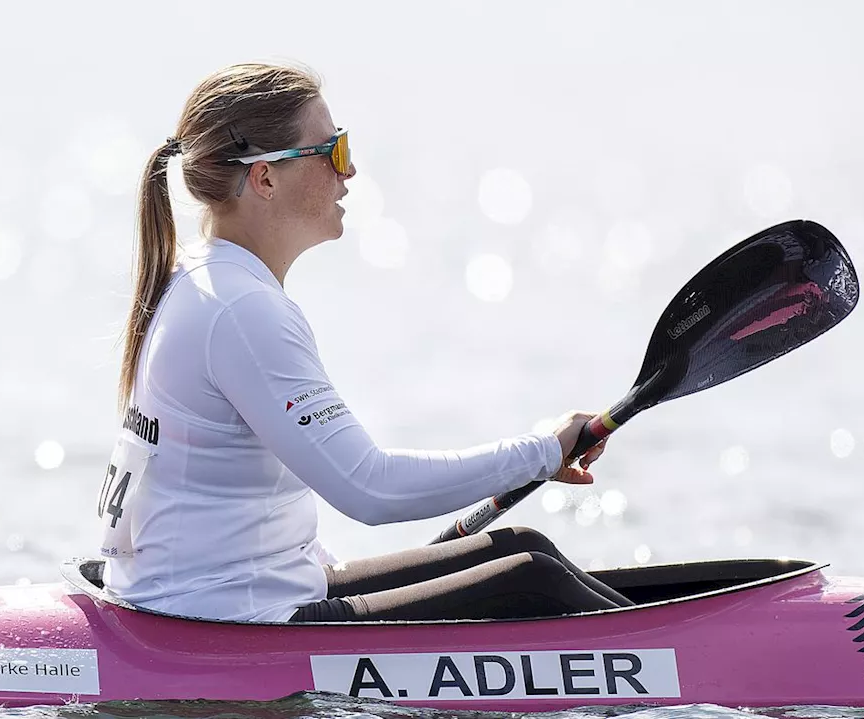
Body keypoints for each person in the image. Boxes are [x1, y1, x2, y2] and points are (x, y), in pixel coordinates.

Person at [99, 61, 634, 623]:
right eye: (332, 150)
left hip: (214, 595)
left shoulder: (201, 280)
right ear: (265, 179)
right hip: (226, 619)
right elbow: (370, 489)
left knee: (520, 550)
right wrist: (541, 453)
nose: (349, 171)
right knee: (534, 582)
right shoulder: (241, 311)